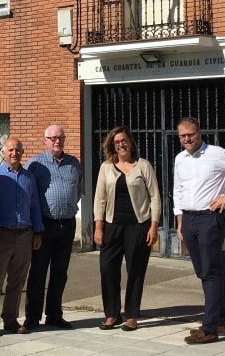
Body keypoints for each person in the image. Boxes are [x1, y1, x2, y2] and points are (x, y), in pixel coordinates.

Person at [173, 117, 225, 345]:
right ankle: (218, 321)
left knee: (210, 272)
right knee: (204, 272)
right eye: (182, 136)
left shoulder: (217, 153)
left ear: (200, 133)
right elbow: (178, 189)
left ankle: (209, 329)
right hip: (188, 219)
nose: (187, 139)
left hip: (210, 219)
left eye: (190, 134)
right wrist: (179, 221)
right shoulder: (180, 159)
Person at [93, 126, 161, 331]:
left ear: (131, 143)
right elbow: (99, 199)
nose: (120, 145)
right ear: (112, 146)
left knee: (136, 270)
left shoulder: (144, 166)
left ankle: (131, 315)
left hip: (138, 226)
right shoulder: (106, 167)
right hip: (112, 226)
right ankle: (112, 314)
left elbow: (155, 197)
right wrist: (98, 226)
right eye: (116, 142)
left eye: (124, 141)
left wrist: (154, 226)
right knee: (107, 269)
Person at [0, 137, 43, 337]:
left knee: (17, 280)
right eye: (10, 150)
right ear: (3, 153)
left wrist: (38, 231)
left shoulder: (29, 177)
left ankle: (10, 319)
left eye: (18, 150)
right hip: (1, 235)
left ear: (22, 152)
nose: (14, 153)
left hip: (25, 235)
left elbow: (35, 206)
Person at [24, 124, 83, 330]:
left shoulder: (74, 163)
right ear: (45, 140)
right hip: (44, 227)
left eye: (61, 138)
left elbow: (79, 190)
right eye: (53, 138)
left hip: (66, 225)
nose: (57, 141)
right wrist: (36, 230)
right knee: (38, 272)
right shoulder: (35, 165)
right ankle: (32, 316)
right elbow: (30, 199)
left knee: (60, 272)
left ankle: (54, 314)